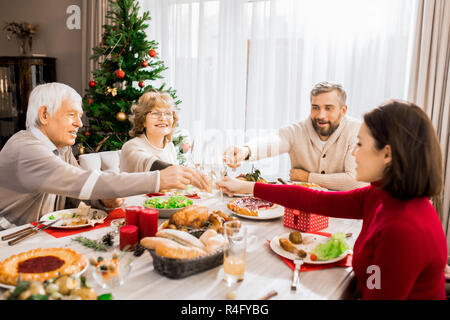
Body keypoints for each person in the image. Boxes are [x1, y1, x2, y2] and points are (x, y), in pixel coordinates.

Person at [217, 100, 447, 300]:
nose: (354, 153)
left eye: (360, 145)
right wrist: (250, 187)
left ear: (387, 154)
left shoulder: (403, 228)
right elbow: (315, 200)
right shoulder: (381, 196)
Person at [0, 83, 209, 229]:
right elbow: (82, 181)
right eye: (72, 115)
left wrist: (102, 199)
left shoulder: (61, 149)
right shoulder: (25, 150)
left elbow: (75, 195)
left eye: (80, 117)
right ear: (44, 115)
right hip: (8, 241)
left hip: (36, 235)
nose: (80, 124)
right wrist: (159, 178)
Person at [223, 81, 367, 191]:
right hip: (302, 212)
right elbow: (274, 141)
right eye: (315, 108)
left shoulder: (357, 131)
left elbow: (356, 181)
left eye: (328, 108)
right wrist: (246, 151)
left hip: (344, 217)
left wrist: (308, 178)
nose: (321, 115)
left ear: (343, 110)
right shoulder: (297, 130)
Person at [120, 91, 179, 173]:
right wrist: (184, 172)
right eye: (155, 113)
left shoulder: (169, 146)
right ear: (143, 120)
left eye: (168, 113)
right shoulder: (131, 147)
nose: (163, 118)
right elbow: (150, 164)